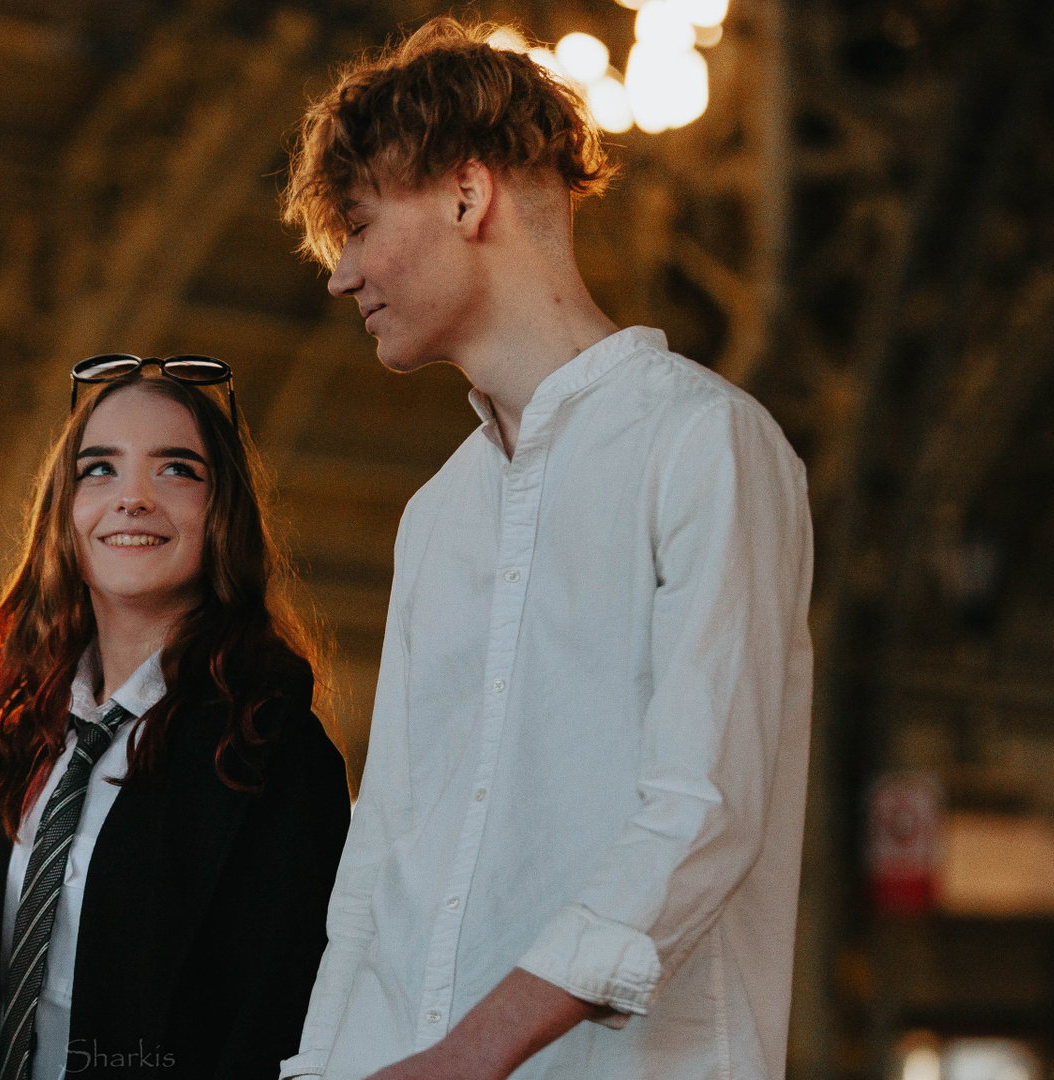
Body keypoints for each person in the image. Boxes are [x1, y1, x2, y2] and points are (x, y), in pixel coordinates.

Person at [274, 18, 814, 1080]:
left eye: (360, 226)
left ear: (467, 195)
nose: (342, 276)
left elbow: (704, 812)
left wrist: (469, 1055)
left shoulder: (705, 444)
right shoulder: (437, 515)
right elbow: (382, 859)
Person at [0, 357, 351, 1080]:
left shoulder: (272, 750)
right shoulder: (15, 740)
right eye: (99, 470)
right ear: (63, 513)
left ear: (222, 514)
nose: (132, 498)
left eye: (177, 470)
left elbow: (282, 1013)